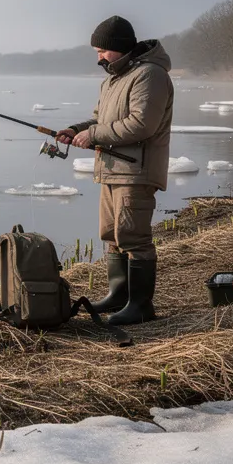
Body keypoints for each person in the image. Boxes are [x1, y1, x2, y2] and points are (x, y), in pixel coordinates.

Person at [55, 16, 173, 326]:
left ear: (119, 47)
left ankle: (141, 306)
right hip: (111, 170)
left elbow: (141, 125)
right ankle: (119, 296)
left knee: (134, 237)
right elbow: (98, 120)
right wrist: (75, 129)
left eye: (102, 51)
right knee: (113, 235)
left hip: (136, 171)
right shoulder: (112, 79)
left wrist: (92, 136)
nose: (98, 58)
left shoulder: (150, 75)